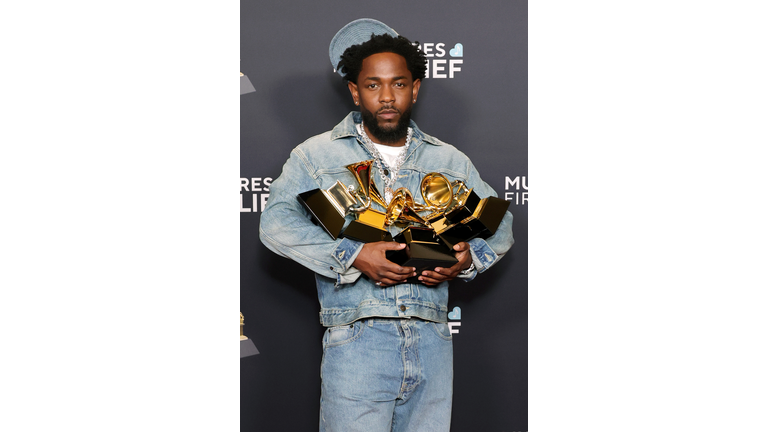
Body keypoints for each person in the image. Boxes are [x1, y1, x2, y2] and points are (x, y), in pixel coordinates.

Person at [259, 18, 514, 432]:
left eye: (397, 84)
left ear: (414, 88)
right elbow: (275, 223)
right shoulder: (316, 155)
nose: (387, 96)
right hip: (358, 337)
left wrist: (466, 260)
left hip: (433, 338)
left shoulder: (448, 161)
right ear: (355, 91)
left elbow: (497, 224)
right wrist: (354, 254)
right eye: (373, 85)